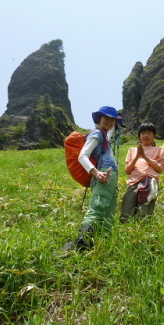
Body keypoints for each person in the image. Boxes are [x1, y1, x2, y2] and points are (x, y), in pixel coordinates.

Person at [62, 106, 121, 252]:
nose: (109, 121)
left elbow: (109, 133)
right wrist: (95, 172)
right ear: (98, 120)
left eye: (112, 119)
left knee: (109, 211)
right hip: (103, 174)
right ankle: (82, 243)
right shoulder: (96, 134)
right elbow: (82, 155)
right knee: (98, 206)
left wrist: (116, 122)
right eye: (106, 118)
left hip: (110, 175)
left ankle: (103, 244)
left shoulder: (104, 135)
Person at [120, 123, 164, 223]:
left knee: (144, 211)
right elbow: (127, 171)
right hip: (133, 182)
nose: (146, 136)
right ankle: (126, 231)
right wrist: (137, 157)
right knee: (127, 208)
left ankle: (142, 232)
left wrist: (145, 157)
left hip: (149, 182)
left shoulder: (159, 150)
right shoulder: (132, 150)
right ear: (139, 136)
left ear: (154, 136)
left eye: (149, 133)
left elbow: (160, 169)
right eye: (143, 133)